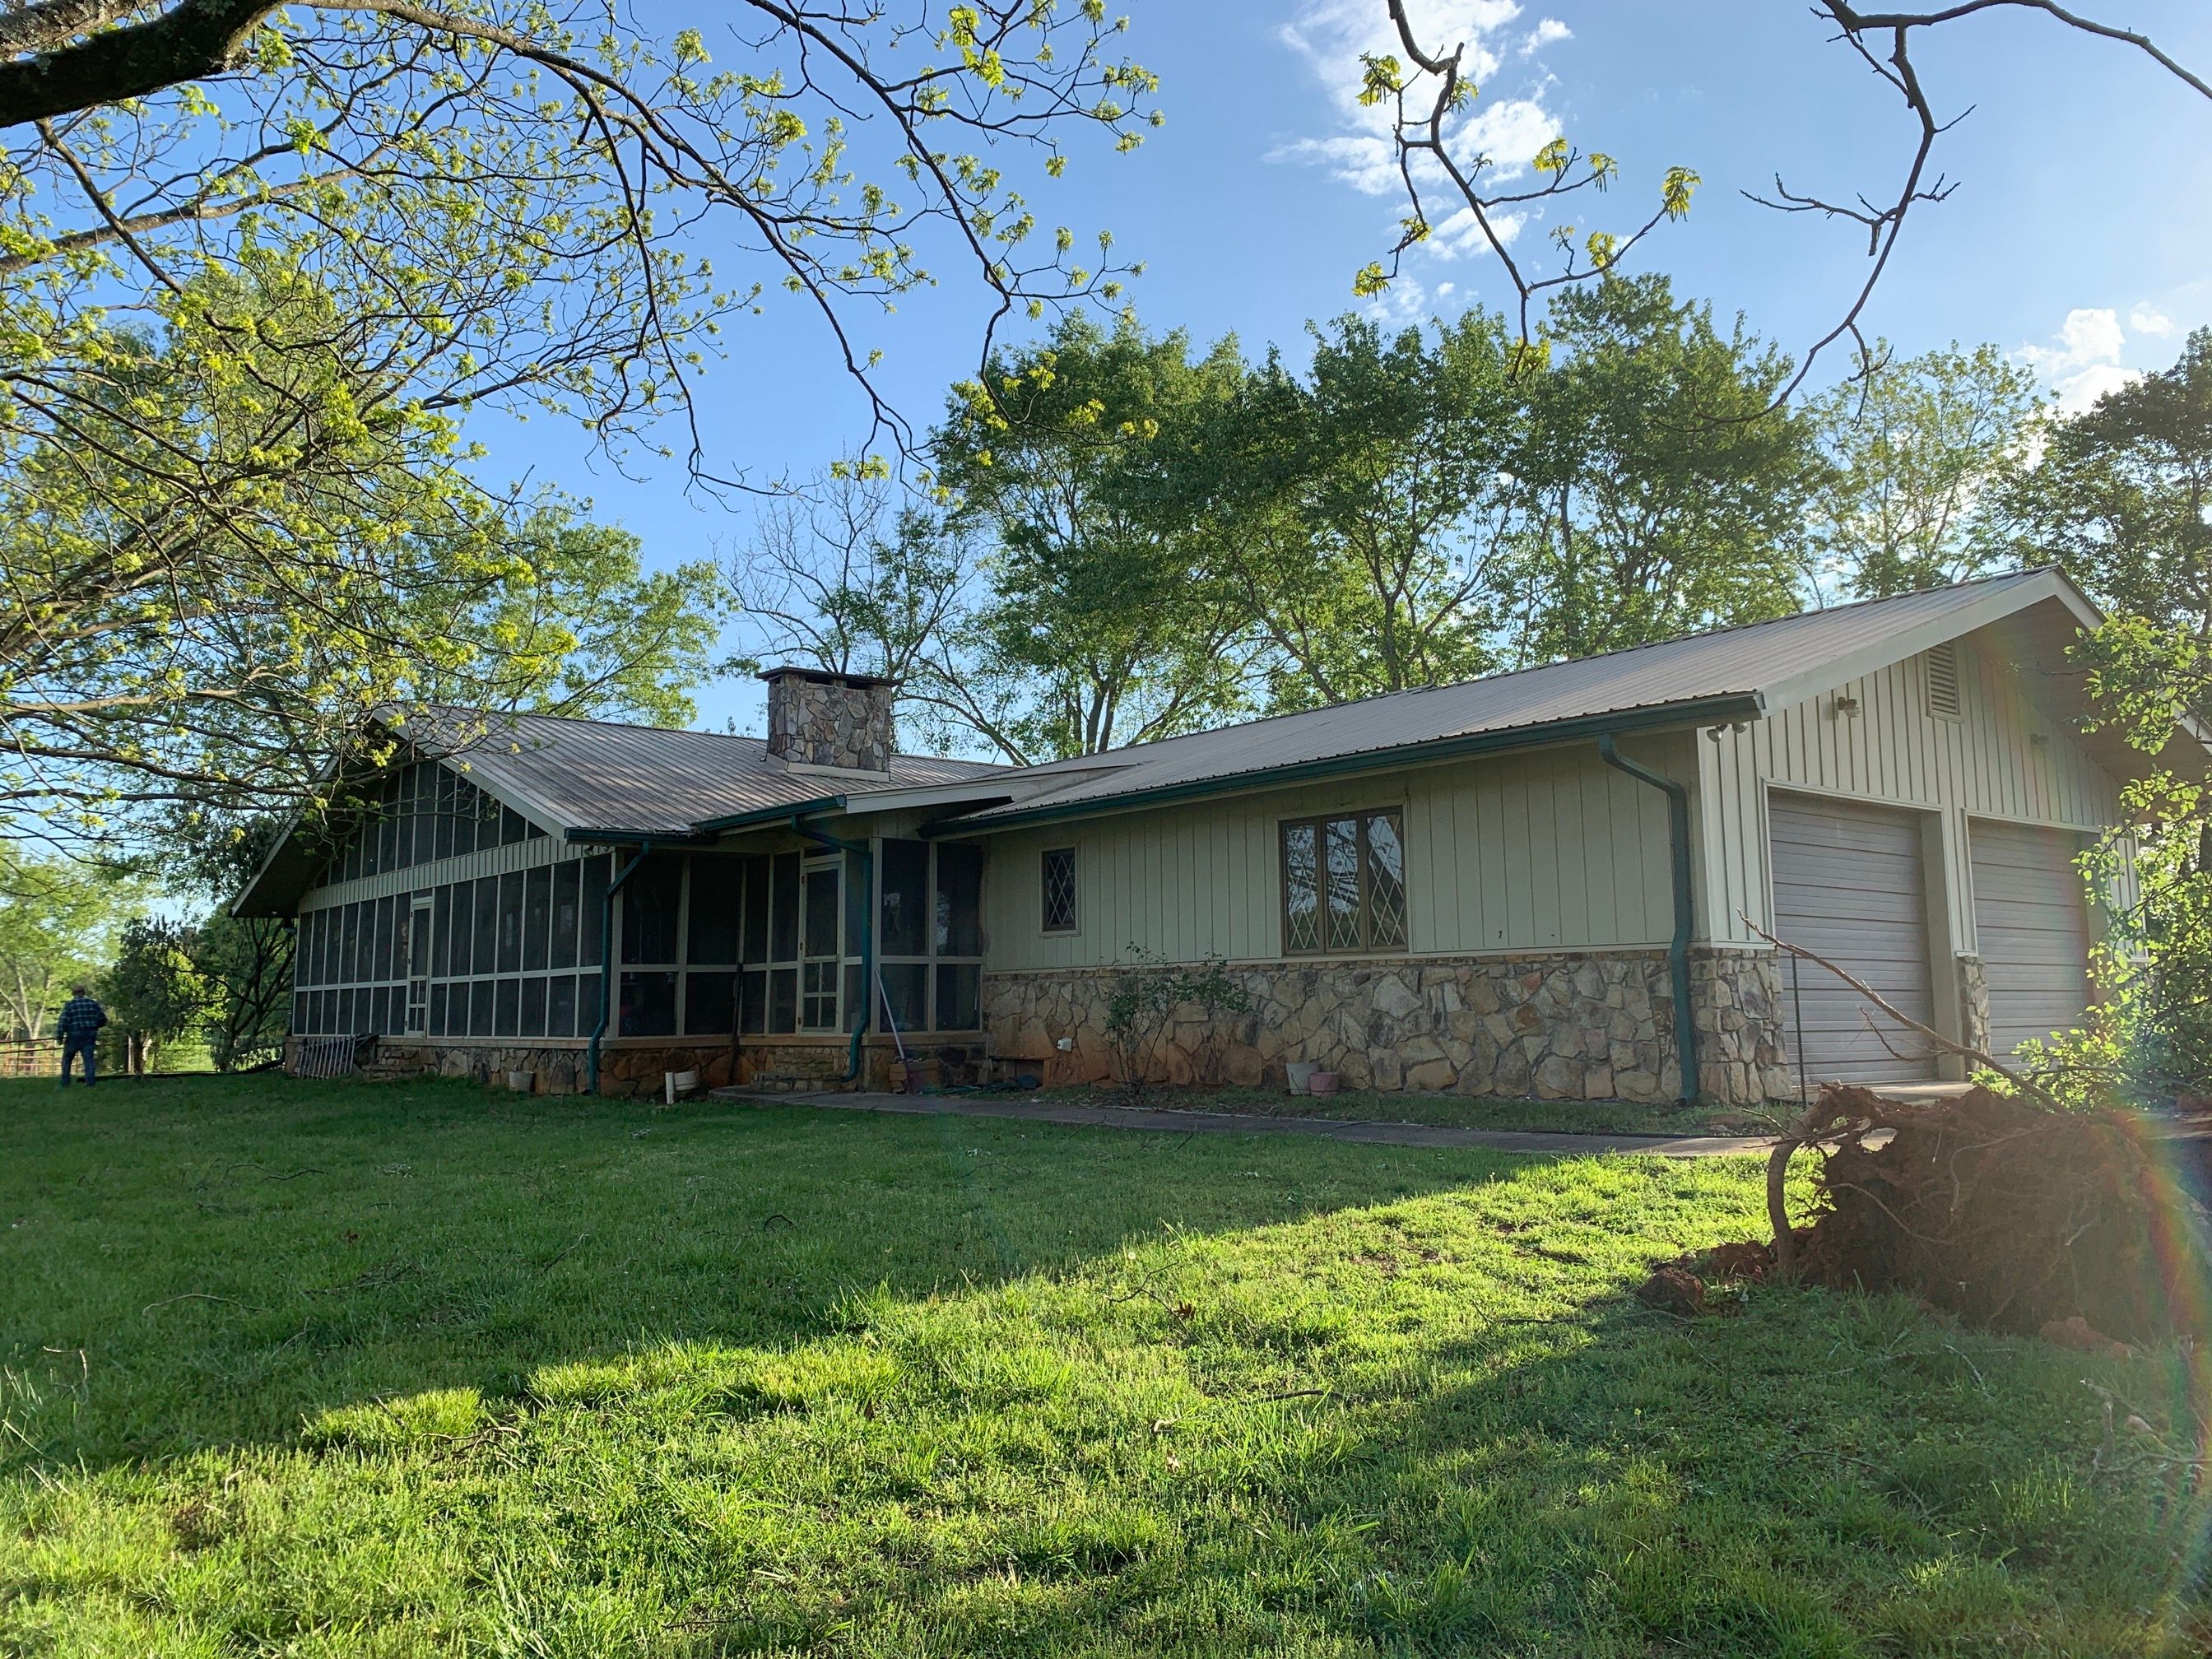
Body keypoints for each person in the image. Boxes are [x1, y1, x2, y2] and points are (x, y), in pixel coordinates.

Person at [55, 983, 106, 1087]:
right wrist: (95, 1027)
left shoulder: (70, 1005)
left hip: (74, 1034)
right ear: (83, 992)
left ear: (73, 993)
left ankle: (65, 1083)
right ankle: (90, 1083)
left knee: (67, 1059)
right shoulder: (93, 1003)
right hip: (90, 1034)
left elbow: (63, 1022)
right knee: (88, 1059)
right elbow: (102, 1019)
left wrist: (60, 1036)